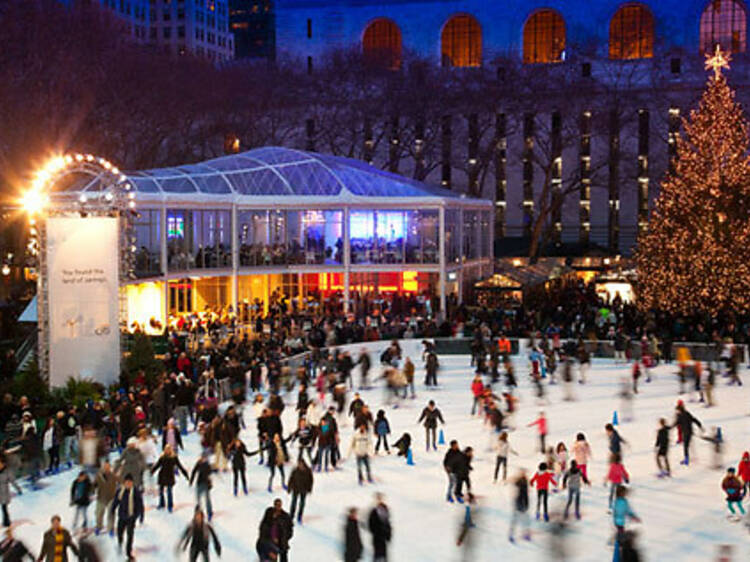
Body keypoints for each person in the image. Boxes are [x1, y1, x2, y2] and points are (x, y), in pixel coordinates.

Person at [111, 474, 144, 561]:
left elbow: (140, 504)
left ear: (132, 483)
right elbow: (116, 501)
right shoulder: (120, 491)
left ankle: (128, 552)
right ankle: (120, 541)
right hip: (122, 516)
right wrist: (112, 509)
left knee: (130, 535)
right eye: (127, 482)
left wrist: (140, 516)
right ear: (124, 483)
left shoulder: (136, 492)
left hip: (131, 517)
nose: (128, 484)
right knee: (119, 532)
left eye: (130, 482)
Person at [151, 444, 189, 512]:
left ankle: (170, 505)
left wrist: (185, 474)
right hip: (162, 476)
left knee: (169, 492)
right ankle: (161, 504)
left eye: (168, 449)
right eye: (166, 449)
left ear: (170, 450)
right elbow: (157, 465)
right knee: (161, 491)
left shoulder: (174, 458)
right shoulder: (162, 457)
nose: (167, 451)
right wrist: (152, 472)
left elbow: (180, 466)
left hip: (170, 476)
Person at [94, 460, 118, 536]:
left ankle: (111, 528)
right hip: (101, 498)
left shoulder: (113, 476)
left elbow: (121, 481)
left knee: (111, 514)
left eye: (108, 467)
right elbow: (94, 485)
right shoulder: (98, 476)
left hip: (111, 497)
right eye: (105, 467)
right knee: (98, 514)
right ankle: (99, 526)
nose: (106, 469)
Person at [190, 453, 215, 521]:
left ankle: (209, 512)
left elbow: (210, 474)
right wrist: (191, 481)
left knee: (207, 499)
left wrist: (210, 483)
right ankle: (198, 513)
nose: (204, 459)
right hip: (199, 483)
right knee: (198, 498)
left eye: (205, 458)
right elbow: (194, 471)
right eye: (203, 458)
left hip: (206, 484)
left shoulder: (208, 465)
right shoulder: (198, 463)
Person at [287, 459, 313, 524]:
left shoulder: (308, 471)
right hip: (296, 489)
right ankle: (291, 515)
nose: (300, 465)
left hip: (303, 490)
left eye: (301, 464)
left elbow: (311, 480)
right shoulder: (295, 470)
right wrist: (289, 488)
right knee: (293, 503)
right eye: (299, 464)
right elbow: (291, 479)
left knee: (302, 504)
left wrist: (309, 489)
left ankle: (299, 516)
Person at [508, 470, 530, 543]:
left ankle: (512, 534)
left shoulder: (520, 482)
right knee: (522, 520)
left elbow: (515, 483)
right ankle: (521, 534)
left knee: (518, 519)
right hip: (521, 502)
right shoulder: (523, 483)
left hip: (518, 501)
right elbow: (525, 495)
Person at [368, 493, 391, 562]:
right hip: (377, 537)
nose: (379, 500)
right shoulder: (373, 511)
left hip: (384, 537)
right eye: (378, 499)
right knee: (377, 555)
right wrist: (375, 532)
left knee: (384, 555)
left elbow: (388, 523)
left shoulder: (386, 509)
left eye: (381, 499)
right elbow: (370, 524)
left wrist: (389, 534)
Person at [0, 457, 21, 528]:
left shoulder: (7, 472)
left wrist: (18, 489)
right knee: (3, 507)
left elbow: (13, 481)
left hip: (4, 492)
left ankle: (7, 522)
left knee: (4, 507)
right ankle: (6, 521)